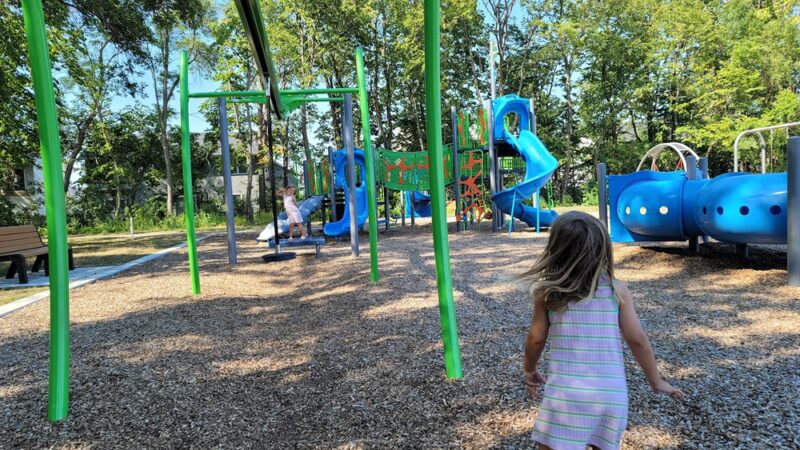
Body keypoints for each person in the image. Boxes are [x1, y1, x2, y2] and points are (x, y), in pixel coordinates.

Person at [520, 211, 683, 450]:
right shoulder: (617, 290)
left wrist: (529, 368)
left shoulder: (548, 293)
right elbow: (637, 340)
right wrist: (656, 381)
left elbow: (536, 339)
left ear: (555, 251)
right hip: (611, 396)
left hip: (566, 398)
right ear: (603, 249)